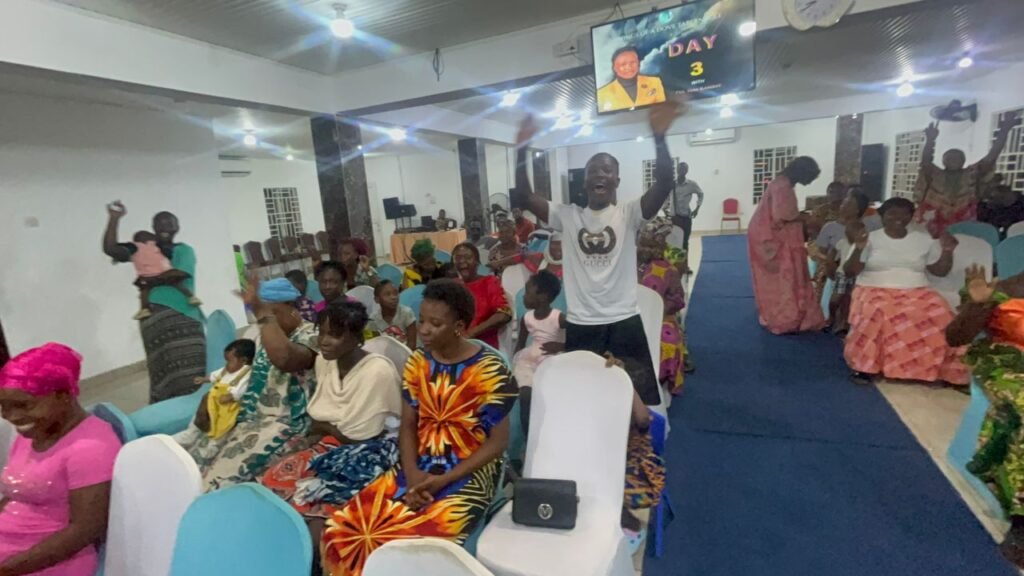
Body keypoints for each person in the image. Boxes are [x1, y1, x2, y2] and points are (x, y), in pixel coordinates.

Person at [318, 280, 517, 576]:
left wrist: (443, 480)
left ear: (458, 327)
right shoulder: (417, 363)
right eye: (422, 320)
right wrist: (412, 475)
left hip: (469, 471)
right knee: (343, 530)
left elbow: (498, 442)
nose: (423, 330)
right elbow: (408, 425)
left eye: (435, 324)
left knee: (421, 545)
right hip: (417, 464)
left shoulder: (489, 369)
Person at [511, 99, 684, 406]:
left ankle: (635, 438)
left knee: (635, 398)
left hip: (623, 319)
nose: (599, 174)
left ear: (617, 180)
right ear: (585, 181)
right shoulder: (567, 215)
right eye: (592, 171)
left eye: (606, 170)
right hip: (582, 322)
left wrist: (659, 137)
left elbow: (664, 183)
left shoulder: (629, 213)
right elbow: (524, 196)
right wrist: (522, 148)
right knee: (586, 397)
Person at [262, 302, 402, 526]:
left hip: (369, 450)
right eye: (322, 333)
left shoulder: (378, 371)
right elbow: (321, 419)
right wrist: (325, 431)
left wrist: (326, 429)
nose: (324, 341)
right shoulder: (324, 362)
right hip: (332, 442)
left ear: (357, 338)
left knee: (324, 503)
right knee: (273, 480)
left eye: (335, 335)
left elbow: (362, 433)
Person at [0, 343, 122, 576]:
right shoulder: (33, 433)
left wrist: (6, 569)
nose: (10, 416)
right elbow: (16, 492)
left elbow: (83, 531)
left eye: (23, 405)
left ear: (64, 395)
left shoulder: (91, 449)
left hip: (49, 562)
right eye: (3, 406)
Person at [187, 278, 318, 489]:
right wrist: (209, 396)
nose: (267, 323)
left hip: (283, 424)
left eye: (273, 314)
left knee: (218, 480)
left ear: (291, 307)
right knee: (193, 462)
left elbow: (284, 359)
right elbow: (246, 376)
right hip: (248, 415)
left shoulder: (311, 335)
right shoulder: (265, 338)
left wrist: (262, 312)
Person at [842, 197, 967, 386]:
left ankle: (944, 370)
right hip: (872, 287)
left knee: (942, 313)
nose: (898, 218)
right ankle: (865, 367)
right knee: (877, 312)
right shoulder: (869, 238)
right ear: (882, 216)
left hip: (916, 289)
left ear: (911, 216)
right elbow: (850, 271)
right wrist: (859, 249)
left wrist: (947, 251)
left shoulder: (923, 240)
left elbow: (939, 271)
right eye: (892, 213)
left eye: (904, 213)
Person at [102, 201, 206, 403]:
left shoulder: (183, 250)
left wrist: (147, 281)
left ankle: (190, 411)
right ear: (153, 227)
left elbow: (177, 274)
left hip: (181, 316)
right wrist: (114, 219)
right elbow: (111, 249)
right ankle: (170, 413)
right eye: (160, 224)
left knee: (190, 371)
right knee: (164, 370)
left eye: (169, 224)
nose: (165, 228)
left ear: (177, 227)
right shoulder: (143, 248)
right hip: (157, 318)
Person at [747, 157, 827, 335]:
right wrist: (806, 217)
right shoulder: (783, 186)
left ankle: (784, 313)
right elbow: (782, 215)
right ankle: (786, 317)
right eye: (811, 177)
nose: (810, 182)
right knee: (785, 277)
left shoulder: (782, 183)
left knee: (780, 278)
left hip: (767, 233)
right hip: (771, 237)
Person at [914, 114, 1019, 237]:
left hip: (964, 223)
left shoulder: (972, 174)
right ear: (943, 161)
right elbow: (926, 161)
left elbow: (992, 156)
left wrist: (1004, 131)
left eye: (958, 157)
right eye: (950, 157)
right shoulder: (935, 174)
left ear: (963, 160)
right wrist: (930, 140)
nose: (954, 159)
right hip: (931, 223)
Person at [173, 339, 257, 447]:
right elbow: (214, 376)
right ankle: (186, 436)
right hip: (210, 404)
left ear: (243, 361)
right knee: (196, 425)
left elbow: (242, 389)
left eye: (229, 361)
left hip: (224, 409)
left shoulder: (245, 374)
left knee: (219, 431)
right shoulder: (226, 370)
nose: (226, 365)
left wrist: (231, 396)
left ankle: (211, 445)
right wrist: (204, 379)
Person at [816, 189, 878, 334]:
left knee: (851, 296)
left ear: (857, 210)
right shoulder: (830, 227)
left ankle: (845, 322)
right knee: (837, 295)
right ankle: (831, 318)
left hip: (859, 271)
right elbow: (820, 251)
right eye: (844, 202)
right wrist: (829, 263)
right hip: (834, 269)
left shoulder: (866, 228)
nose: (843, 205)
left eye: (848, 203)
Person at [637, 217, 687, 395]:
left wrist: (658, 311)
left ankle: (663, 379)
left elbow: (677, 299)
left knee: (668, 340)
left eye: (652, 246)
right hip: (630, 316)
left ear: (661, 246)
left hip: (661, 318)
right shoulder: (626, 265)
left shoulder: (669, 270)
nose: (647, 250)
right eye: (644, 245)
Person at [128, 230, 201, 320]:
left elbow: (123, 252)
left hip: (148, 276)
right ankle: (191, 297)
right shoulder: (154, 244)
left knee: (145, 291)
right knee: (176, 284)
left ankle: (144, 309)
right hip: (163, 271)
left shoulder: (135, 247)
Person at [513, 270, 566, 388]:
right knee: (525, 384)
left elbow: (576, 338)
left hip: (551, 358)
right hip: (530, 358)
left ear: (543, 296)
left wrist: (562, 346)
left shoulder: (558, 317)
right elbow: (520, 344)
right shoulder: (526, 318)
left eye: (527, 292)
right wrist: (513, 363)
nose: (523, 296)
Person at [453, 242, 512, 348]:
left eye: (468, 257)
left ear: (477, 261)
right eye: (458, 258)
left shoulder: (489, 282)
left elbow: (504, 314)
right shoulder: (452, 285)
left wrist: (471, 333)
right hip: (455, 345)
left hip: (483, 346)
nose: (462, 261)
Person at [596, 46, 666, 113]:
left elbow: (662, 110)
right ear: (614, 68)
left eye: (633, 62)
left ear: (638, 63)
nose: (629, 67)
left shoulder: (655, 82)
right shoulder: (602, 94)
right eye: (623, 64)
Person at [670, 161, 704, 270]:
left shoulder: (691, 184)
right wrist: (665, 209)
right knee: (675, 243)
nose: (681, 171)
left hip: (686, 218)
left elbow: (701, 194)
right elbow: (665, 197)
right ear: (677, 170)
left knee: (685, 242)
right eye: (680, 168)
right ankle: (675, 266)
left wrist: (697, 208)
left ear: (687, 171)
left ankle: (685, 266)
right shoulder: (672, 184)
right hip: (675, 218)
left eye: (684, 169)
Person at [367, 280, 417, 348]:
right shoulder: (373, 320)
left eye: (396, 293)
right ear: (377, 299)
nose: (394, 297)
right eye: (387, 294)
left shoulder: (407, 313)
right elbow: (370, 344)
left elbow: (412, 343)